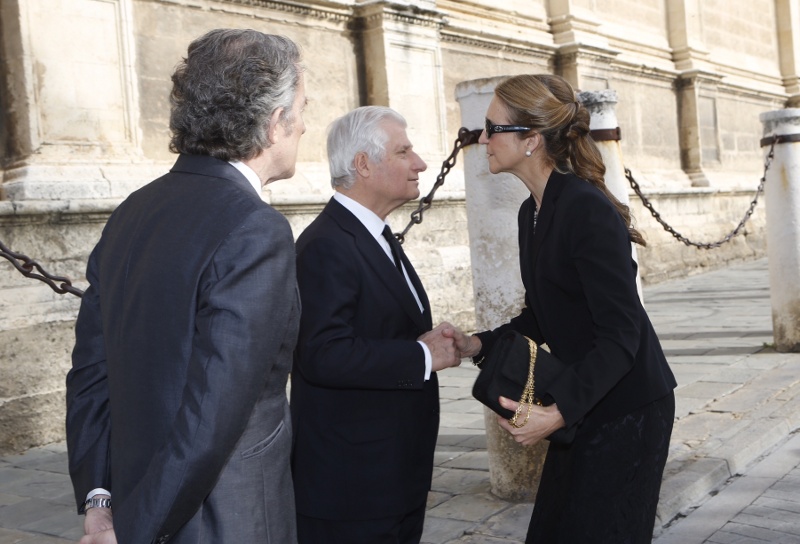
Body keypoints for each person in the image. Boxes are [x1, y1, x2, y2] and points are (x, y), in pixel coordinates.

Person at [66, 29, 307, 544]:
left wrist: (100, 499)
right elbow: (212, 413)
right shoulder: (255, 228)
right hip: (226, 518)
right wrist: (130, 531)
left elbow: (90, 374)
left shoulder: (131, 212)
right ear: (274, 123)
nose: (305, 127)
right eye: (302, 110)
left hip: (136, 500)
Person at [451, 74, 677, 543]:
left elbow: (621, 334)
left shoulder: (584, 208)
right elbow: (543, 313)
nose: (483, 140)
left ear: (532, 140)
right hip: (587, 399)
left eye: (493, 129)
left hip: (628, 407)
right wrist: (476, 343)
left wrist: (557, 414)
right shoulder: (531, 211)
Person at [291, 106, 461, 544]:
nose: (420, 163)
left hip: (391, 476)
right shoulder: (327, 245)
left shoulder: (373, 235)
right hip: (353, 492)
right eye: (403, 151)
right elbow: (322, 355)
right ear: (363, 164)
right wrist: (422, 355)